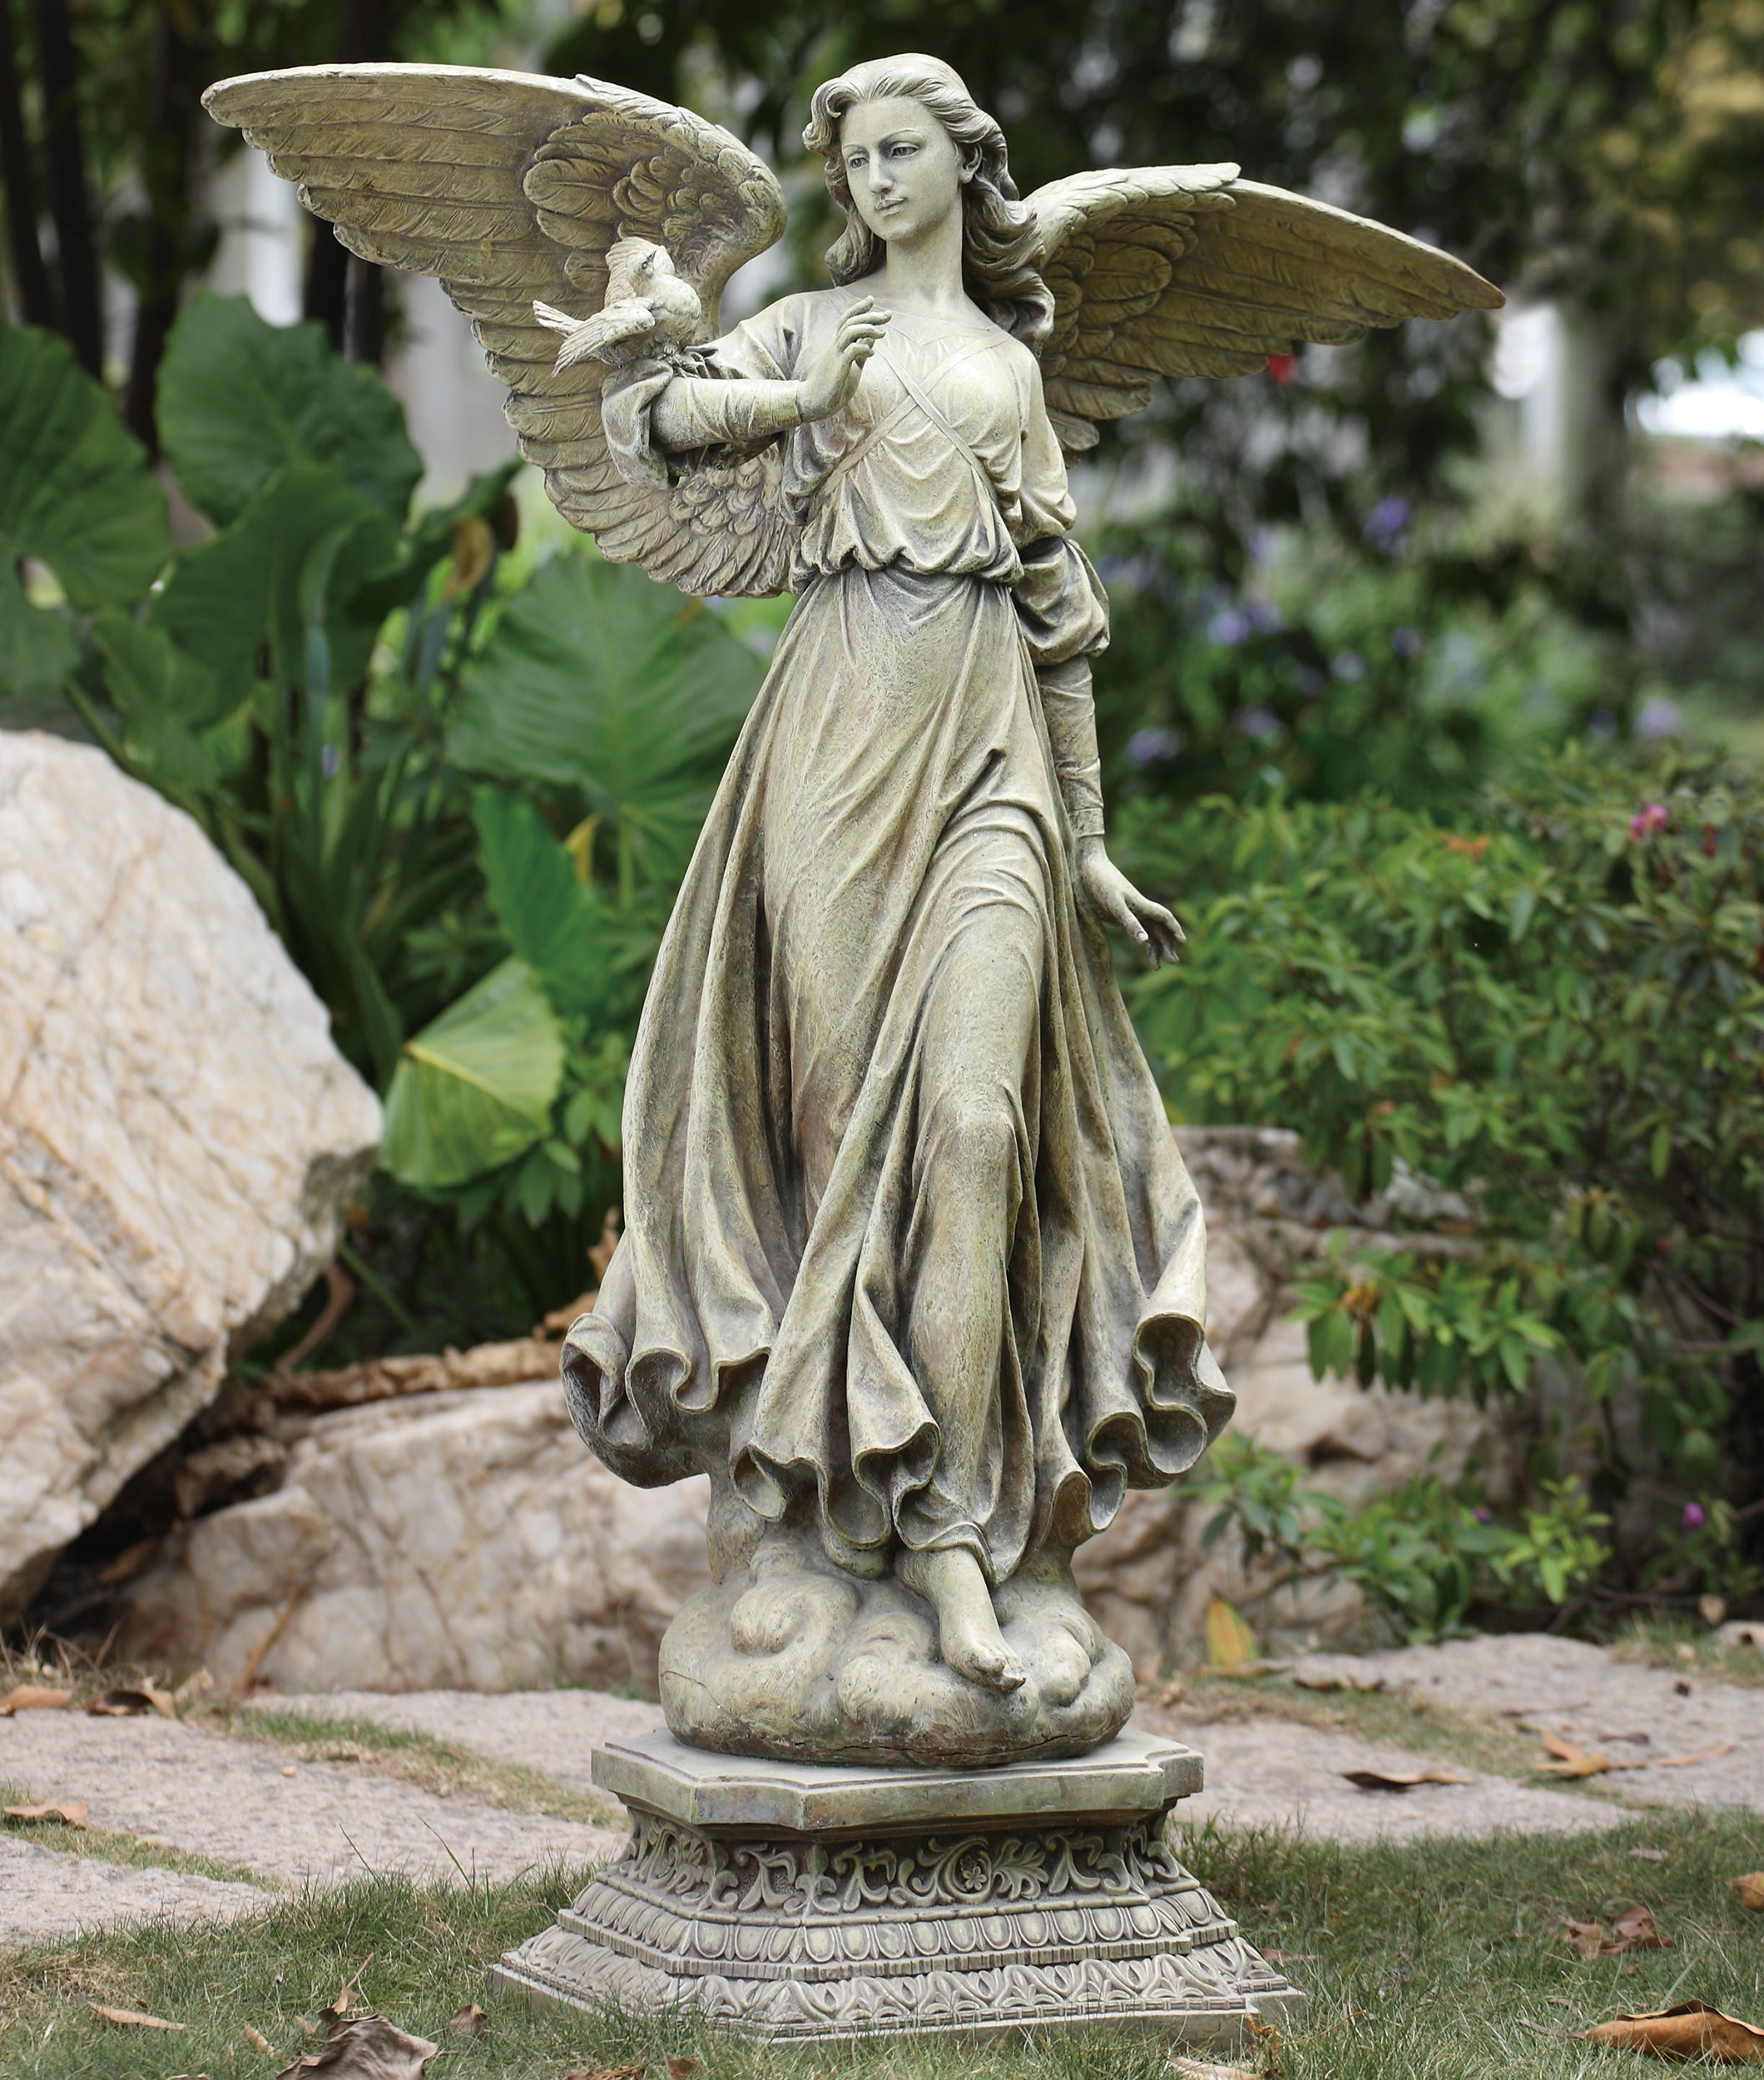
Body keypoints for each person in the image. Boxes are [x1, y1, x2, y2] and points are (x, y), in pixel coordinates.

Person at [565, 54, 1232, 1694]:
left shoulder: (1007, 363)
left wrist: (1082, 840)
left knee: (980, 1125)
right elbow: (649, 414)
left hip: (990, 737)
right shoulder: (808, 322)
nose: (867, 178)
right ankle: (841, 1507)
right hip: (839, 725)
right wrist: (792, 405)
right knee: (832, 1136)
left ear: (959, 162)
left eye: (894, 150)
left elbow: (1062, 618)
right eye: (849, 155)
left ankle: (951, 1537)